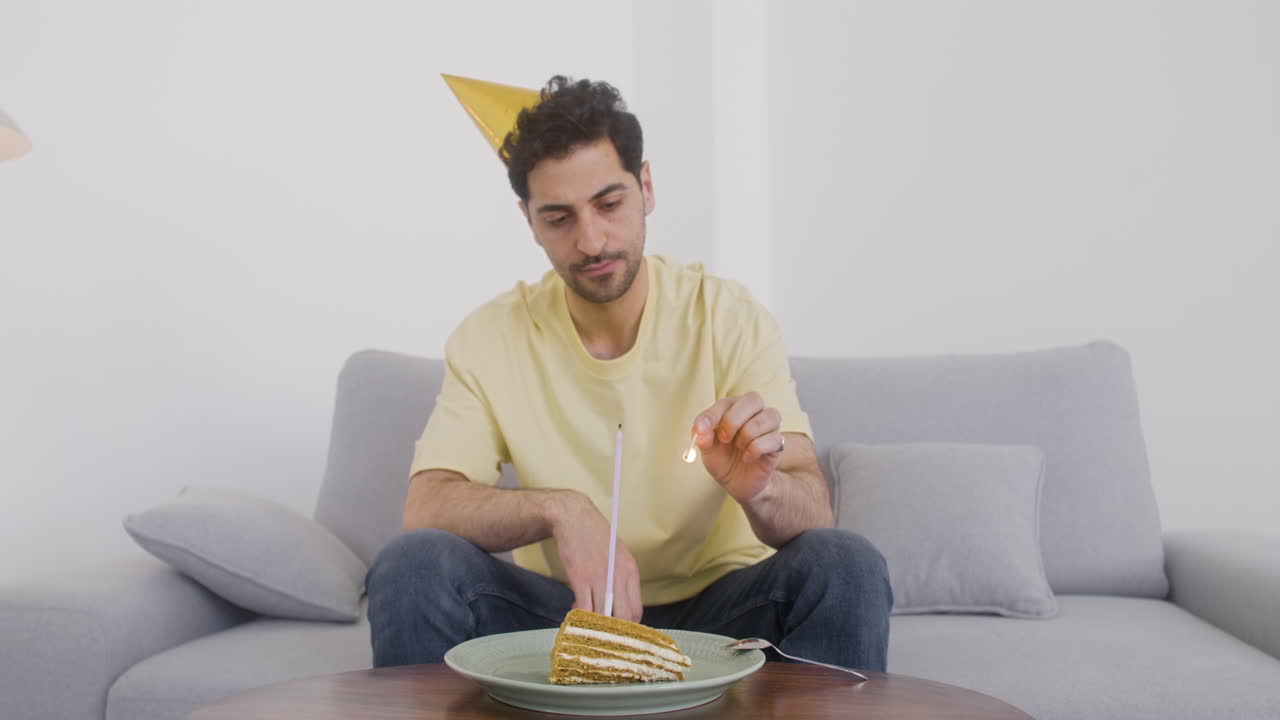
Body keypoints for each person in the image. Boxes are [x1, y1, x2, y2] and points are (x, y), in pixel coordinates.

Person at [366, 75, 891, 671]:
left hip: (723, 619)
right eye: (559, 218)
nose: (591, 240)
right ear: (528, 220)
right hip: (565, 618)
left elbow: (814, 513)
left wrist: (762, 489)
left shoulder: (730, 319)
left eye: (609, 204)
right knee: (413, 565)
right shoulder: (489, 337)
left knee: (846, 563)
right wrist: (562, 509)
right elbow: (426, 507)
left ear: (645, 187)